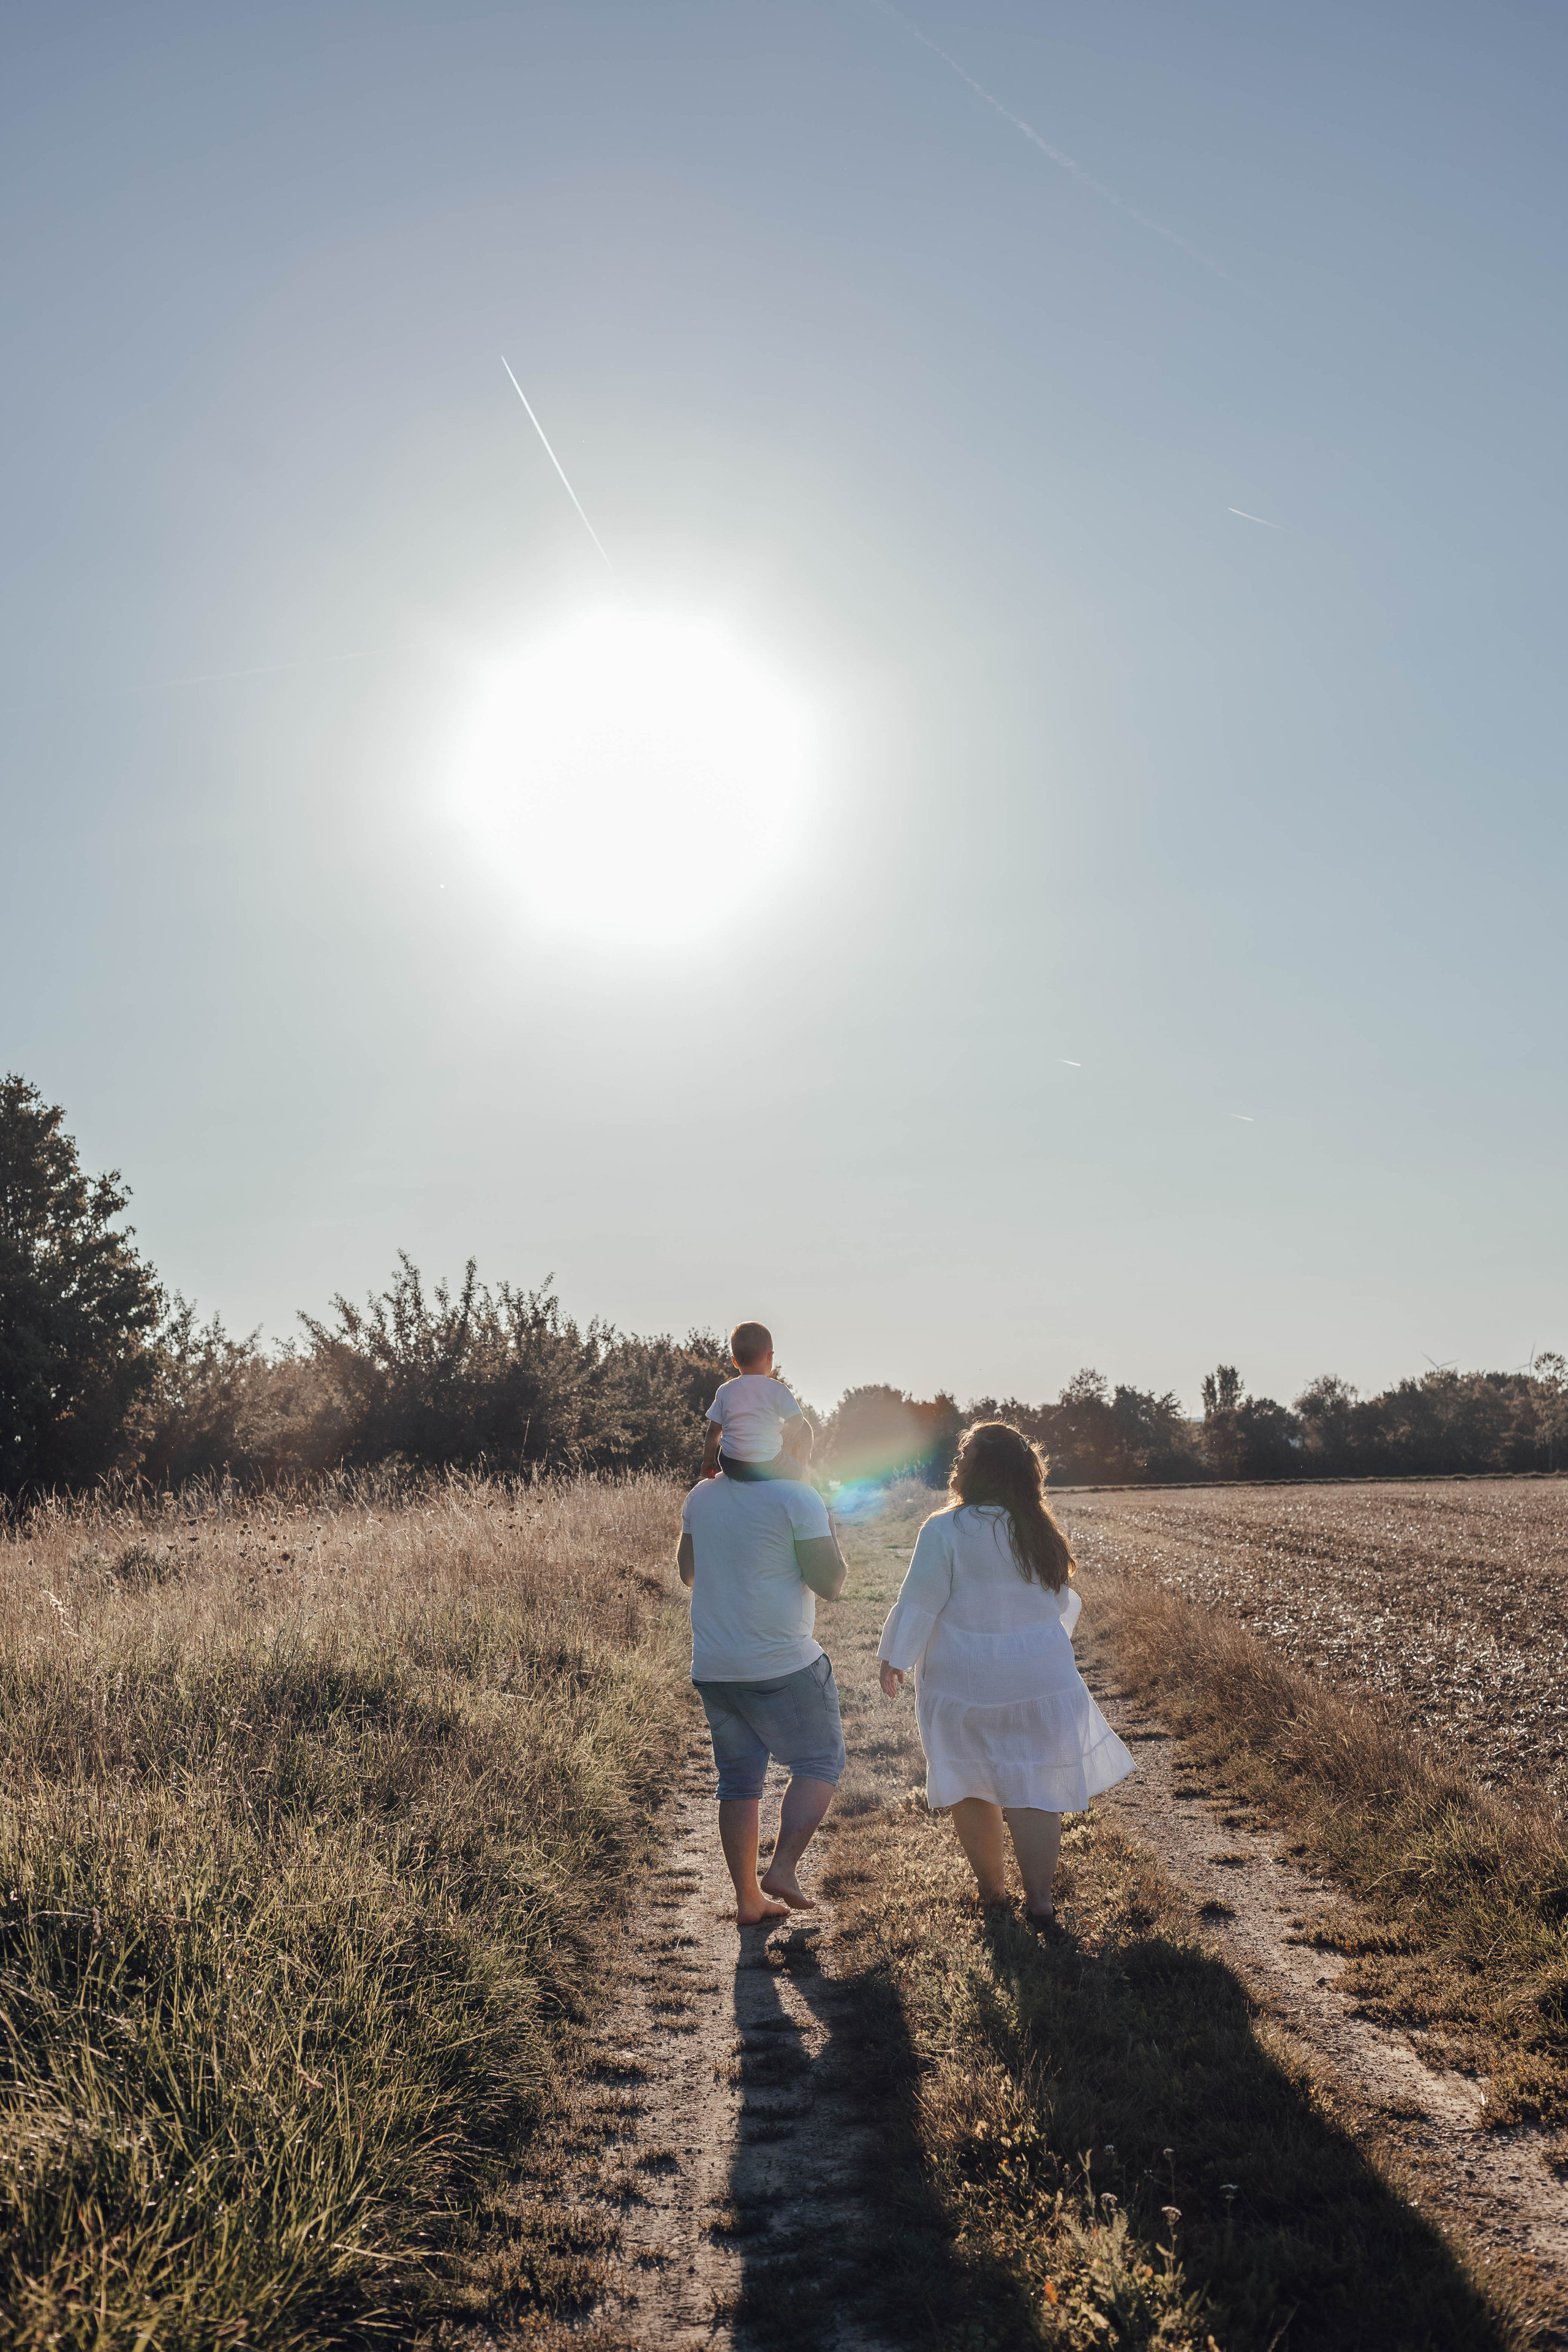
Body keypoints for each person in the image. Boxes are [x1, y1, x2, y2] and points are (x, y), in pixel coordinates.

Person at [876, 1421, 1134, 1923]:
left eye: (964, 1456)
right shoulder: (1039, 1529)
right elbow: (1058, 1604)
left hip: (964, 1684)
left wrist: (896, 1656)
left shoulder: (944, 1529)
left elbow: (921, 1603)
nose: (958, 1463)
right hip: (1041, 1680)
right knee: (1036, 1791)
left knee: (971, 1782)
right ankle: (1040, 1901)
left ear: (974, 1469)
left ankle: (994, 1894)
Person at [678, 1452, 847, 1923]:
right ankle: (784, 1869)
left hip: (715, 1666)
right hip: (782, 1664)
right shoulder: (798, 1498)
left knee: (738, 1782)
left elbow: (688, 1574)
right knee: (820, 1761)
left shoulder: (701, 1496)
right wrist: (827, 1526)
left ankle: (748, 1901)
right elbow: (830, 1584)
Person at [700, 1321, 813, 1483]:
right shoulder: (778, 1390)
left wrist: (708, 1461)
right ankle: (805, 1498)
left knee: (728, 1454)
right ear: (770, 1358)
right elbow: (798, 1419)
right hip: (767, 1463)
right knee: (803, 1474)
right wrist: (791, 1428)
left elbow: (713, 1431)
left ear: (735, 1361)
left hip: (731, 1464)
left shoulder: (725, 1390)